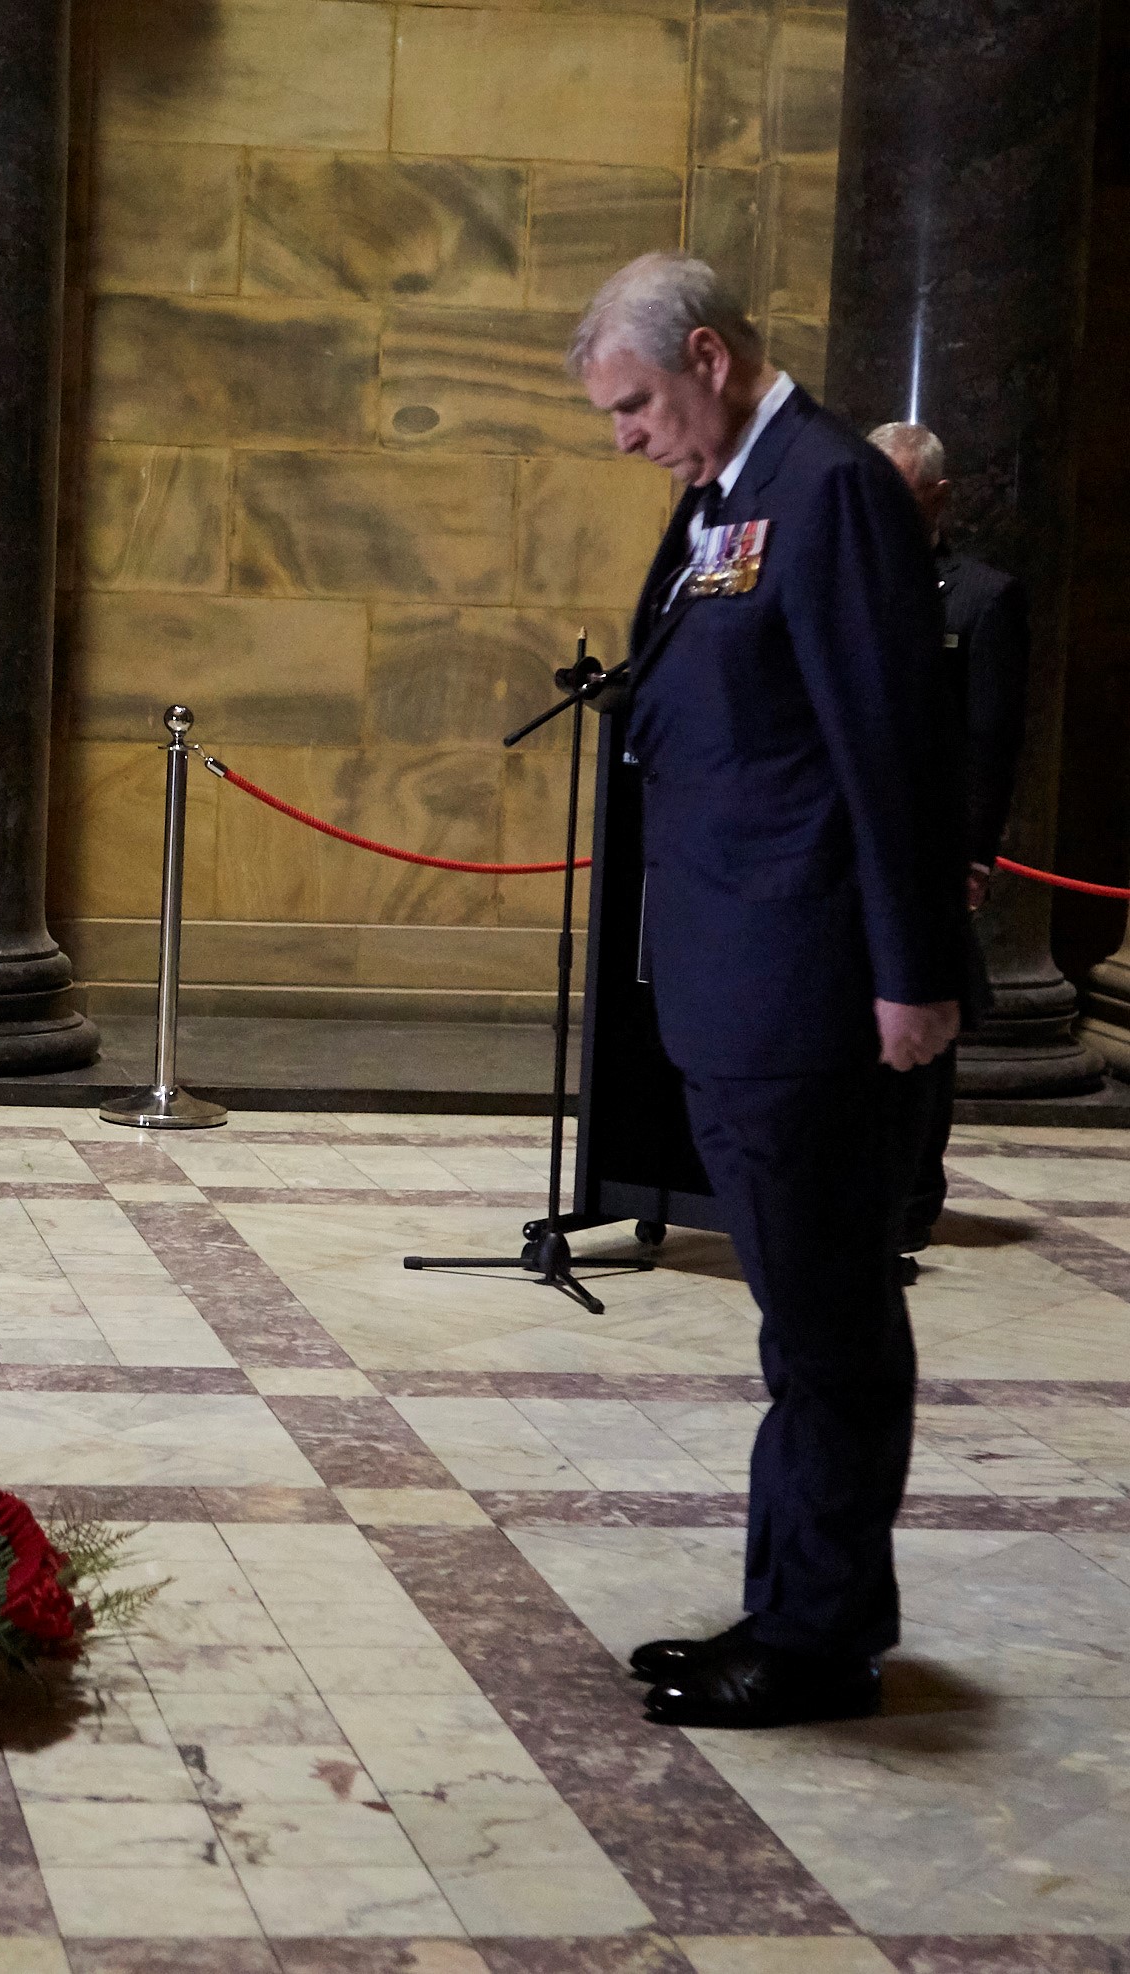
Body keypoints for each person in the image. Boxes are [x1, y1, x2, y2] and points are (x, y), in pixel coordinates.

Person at [569, 254, 966, 1729]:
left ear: (713, 356)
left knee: (829, 1325)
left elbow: (890, 746)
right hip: (743, 979)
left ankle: (817, 1640)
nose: (623, 435)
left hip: (812, 992)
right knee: (798, 1322)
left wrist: (913, 975)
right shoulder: (733, 487)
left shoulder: (831, 483)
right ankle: (793, 1606)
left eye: (635, 402)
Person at [865, 420, 1025, 1267]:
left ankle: (913, 1204)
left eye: (900, 487)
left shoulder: (980, 596)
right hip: (850, 852)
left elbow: (990, 743)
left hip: (929, 855)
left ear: (937, 495)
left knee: (922, 1027)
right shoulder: (843, 578)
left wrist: (974, 854)